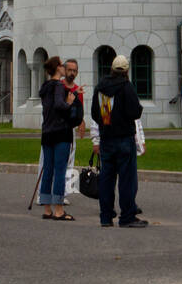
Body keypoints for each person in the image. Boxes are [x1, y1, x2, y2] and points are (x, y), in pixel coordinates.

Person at [90, 54, 148, 228]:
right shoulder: (126, 86)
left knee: (107, 180)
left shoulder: (101, 88)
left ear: (112, 69)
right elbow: (134, 112)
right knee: (126, 180)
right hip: (124, 138)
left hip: (107, 138)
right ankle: (127, 216)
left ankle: (105, 217)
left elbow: (95, 113)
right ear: (126, 71)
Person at [38, 55, 81, 220]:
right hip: (60, 132)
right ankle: (59, 210)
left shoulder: (45, 86)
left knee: (48, 169)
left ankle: (47, 208)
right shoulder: (58, 86)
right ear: (58, 68)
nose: (64, 68)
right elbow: (59, 105)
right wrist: (69, 102)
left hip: (47, 131)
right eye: (62, 66)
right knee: (60, 170)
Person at [62, 57, 86, 203]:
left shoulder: (78, 90)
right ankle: (43, 192)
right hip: (56, 128)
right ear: (64, 70)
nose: (72, 73)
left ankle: (66, 192)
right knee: (49, 161)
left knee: (70, 159)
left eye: (74, 70)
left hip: (70, 128)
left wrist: (81, 122)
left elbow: (79, 109)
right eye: (69, 70)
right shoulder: (58, 86)